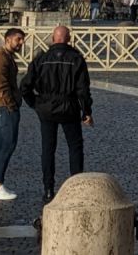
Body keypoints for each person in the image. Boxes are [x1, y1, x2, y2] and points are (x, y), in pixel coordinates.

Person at [20, 25, 92, 201]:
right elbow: (83, 89)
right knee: (75, 148)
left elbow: (24, 87)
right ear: (69, 39)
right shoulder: (76, 59)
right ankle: (75, 187)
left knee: (48, 149)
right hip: (69, 107)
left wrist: (35, 104)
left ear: (53, 38)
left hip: (46, 108)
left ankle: (48, 189)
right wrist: (87, 111)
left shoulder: (41, 59)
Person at [0, 28, 27, 201]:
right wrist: (11, 106)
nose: (21, 43)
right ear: (7, 39)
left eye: (22, 40)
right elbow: (1, 86)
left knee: (1, 146)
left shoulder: (6, 58)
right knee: (6, 146)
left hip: (4, 107)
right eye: (18, 39)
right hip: (5, 108)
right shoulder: (1, 60)